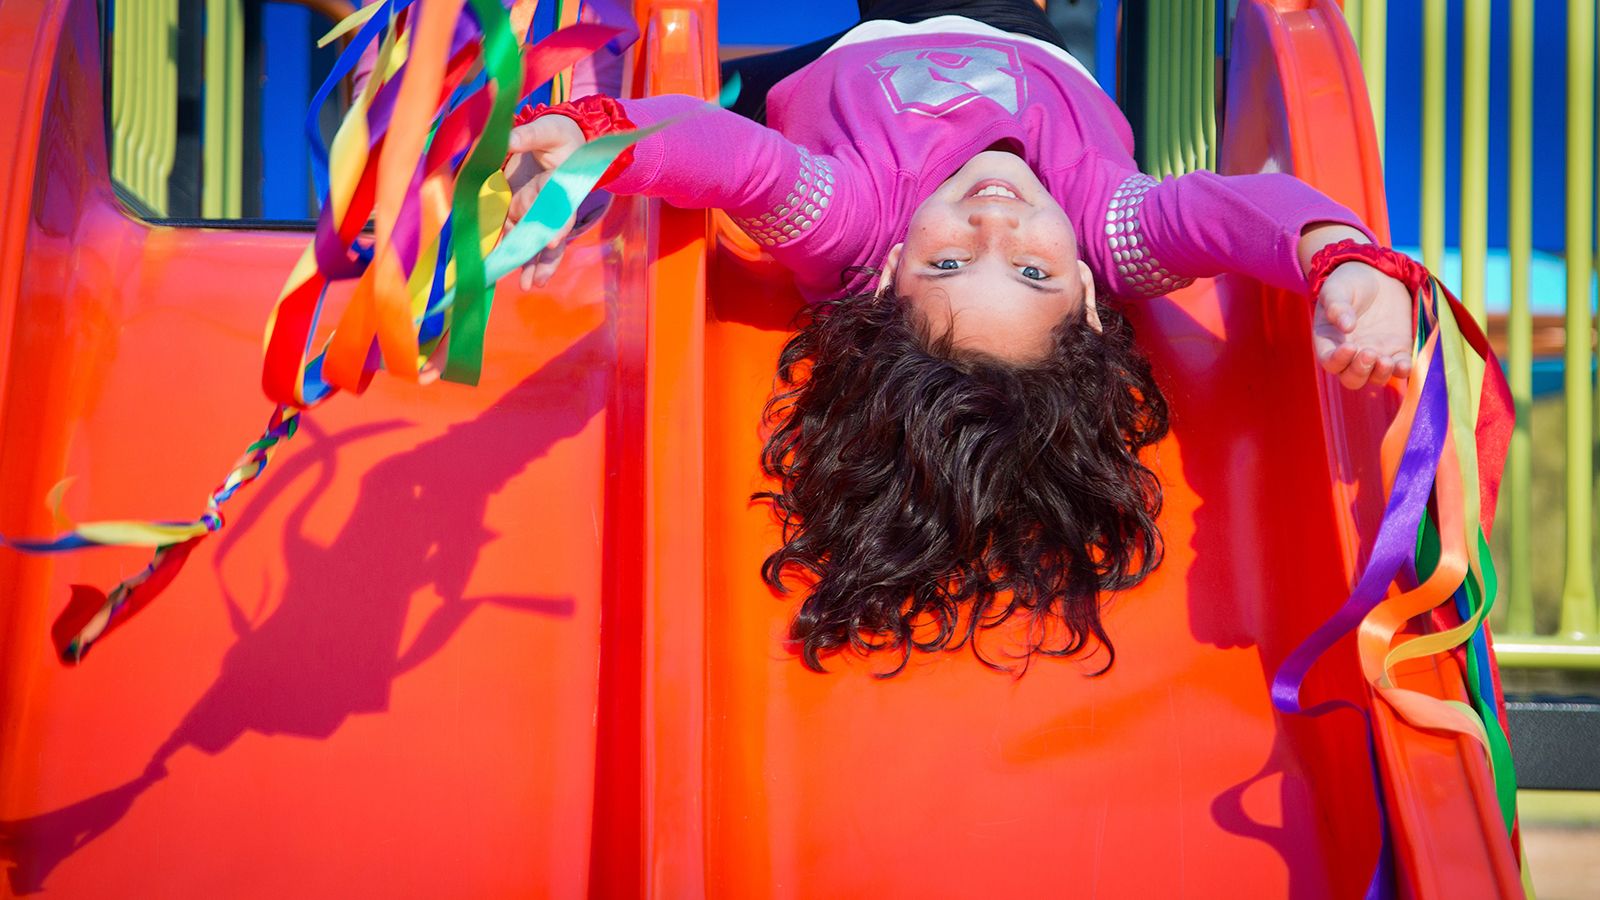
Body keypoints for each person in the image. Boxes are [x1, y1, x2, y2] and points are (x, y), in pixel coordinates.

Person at [502, 1, 1416, 675]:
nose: (995, 227)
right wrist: (1346, 262)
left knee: (691, 115)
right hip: (1007, 28)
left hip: (843, 63)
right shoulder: (1113, 229)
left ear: (894, 270)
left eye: (945, 268)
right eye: (1032, 274)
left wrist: (592, 140)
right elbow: (1240, 211)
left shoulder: (856, 220)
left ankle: (602, 78)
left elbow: (736, 162)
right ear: (1091, 297)